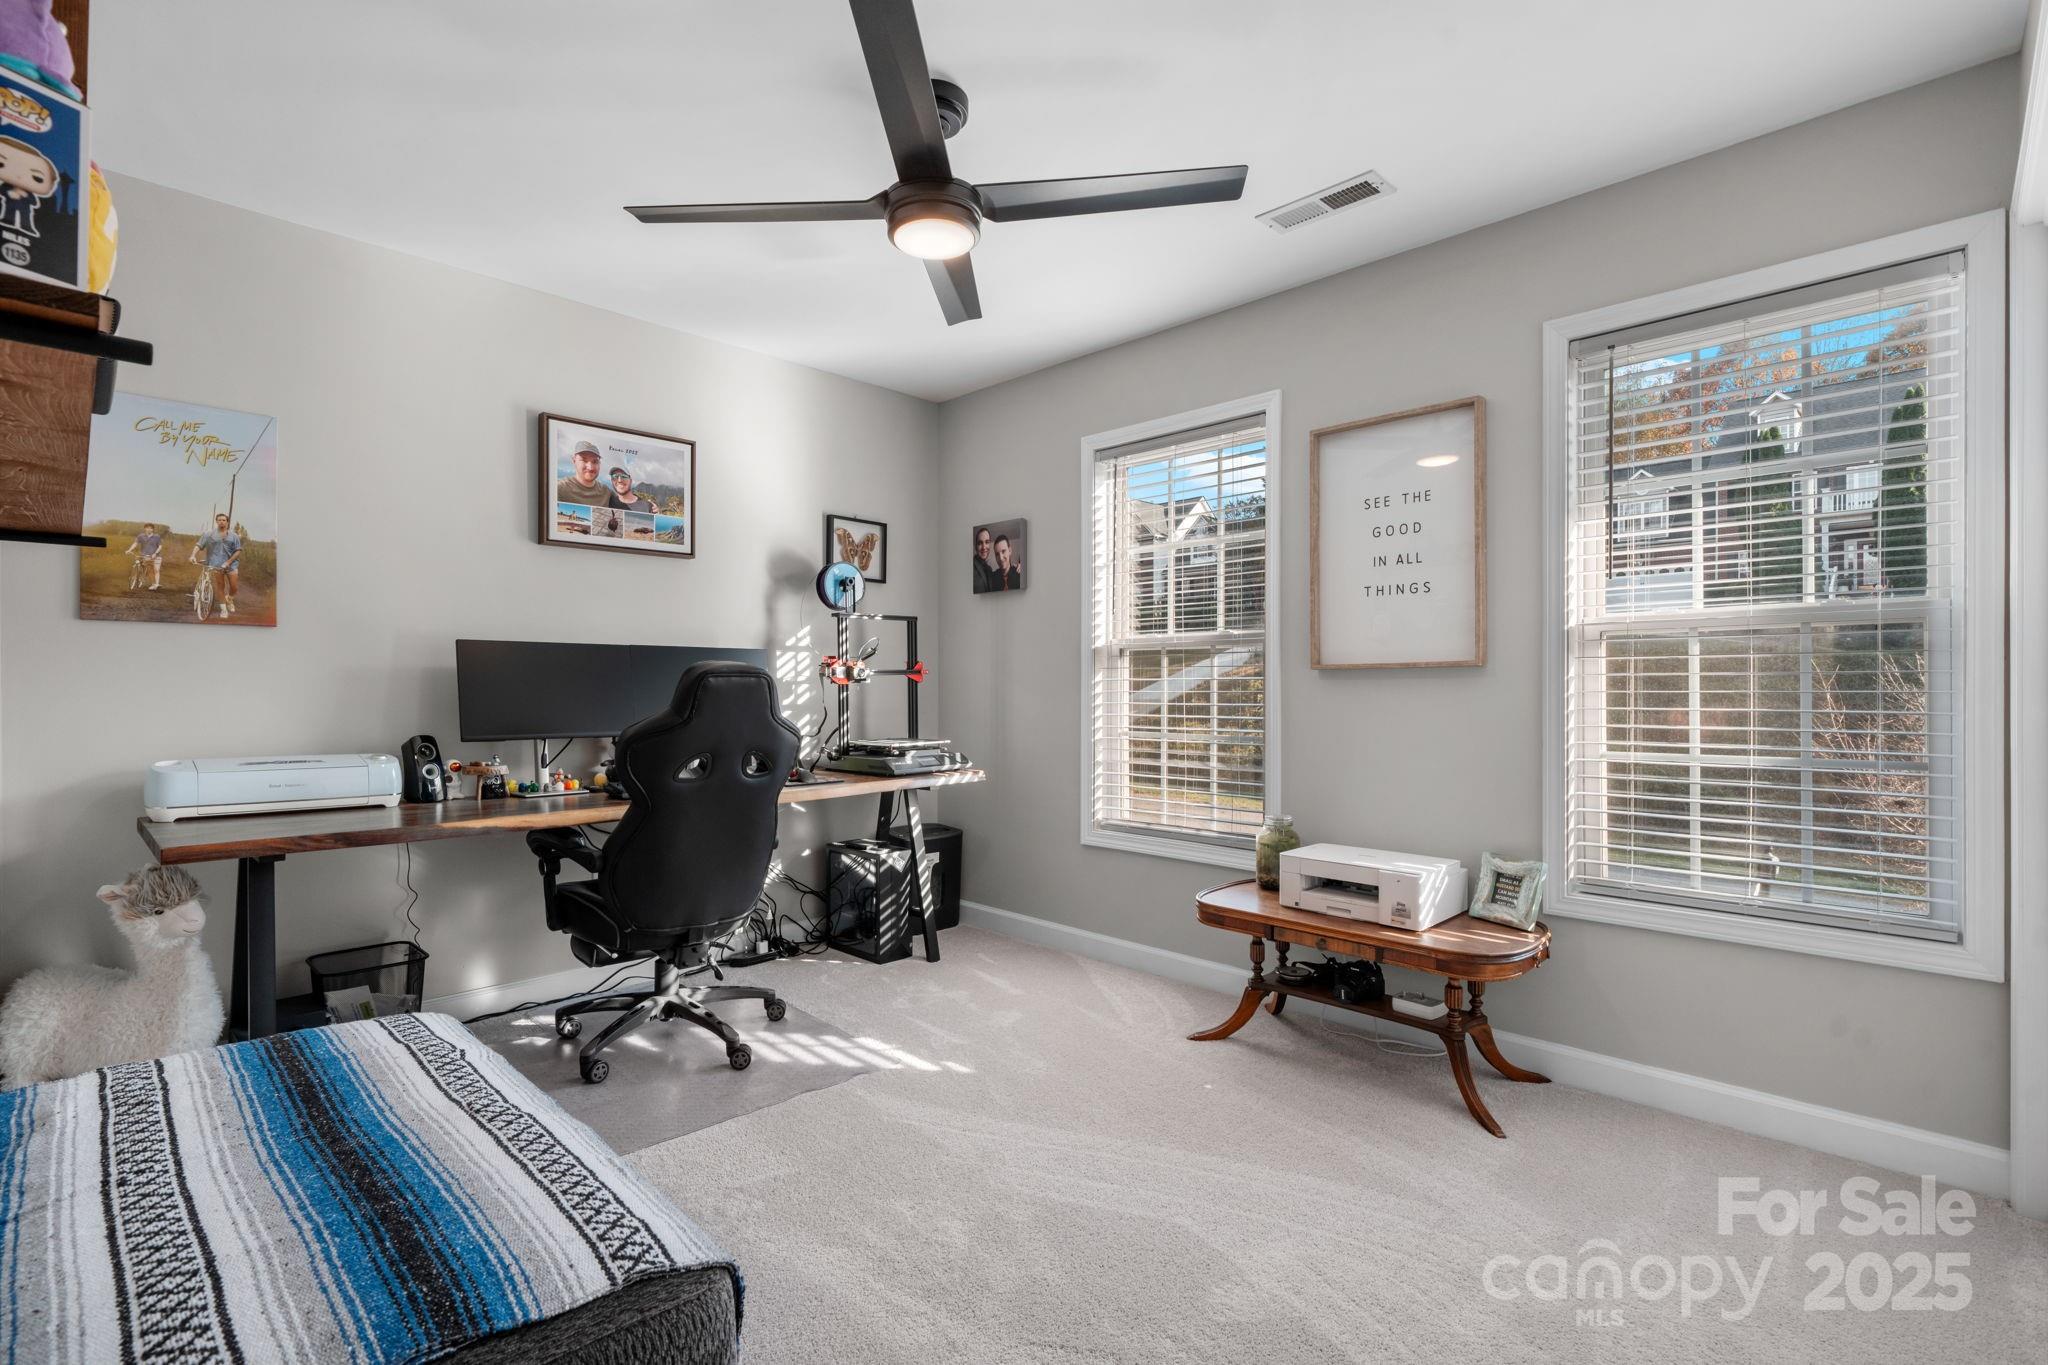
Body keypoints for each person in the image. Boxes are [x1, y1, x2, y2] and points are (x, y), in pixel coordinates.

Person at [0, 137, 56, 239]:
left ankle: (27, 227)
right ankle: (6, 221)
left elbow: (34, 202)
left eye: (37, 178)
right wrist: (9, 193)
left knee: (25, 218)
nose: (19, 176)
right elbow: (3, 191)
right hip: (9, 206)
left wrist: (25, 196)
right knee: (9, 215)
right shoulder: (6, 186)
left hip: (25, 210)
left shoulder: (29, 193)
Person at [190, 512, 241, 619]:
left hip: (231, 565)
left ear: (227, 522)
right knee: (220, 586)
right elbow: (199, 545)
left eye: (224, 520)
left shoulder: (234, 536)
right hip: (215, 564)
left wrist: (228, 562)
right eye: (219, 520)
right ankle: (223, 610)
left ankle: (230, 599)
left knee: (234, 587)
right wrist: (193, 555)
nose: (222, 522)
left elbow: (238, 551)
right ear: (216, 521)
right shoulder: (209, 534)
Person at [555, 440, 611, 507]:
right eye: (584, 460)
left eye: (595, 461)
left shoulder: (606, 492)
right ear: (574, 461)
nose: (590, 467)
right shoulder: (559, 488)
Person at [125, 522, 164, 589]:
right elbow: (135, 543)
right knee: (148, 568)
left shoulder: (157, 536)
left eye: (150, 528)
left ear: (153, 529)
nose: (149, 529)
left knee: (156, 569)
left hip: (157, 556)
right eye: (147, 528)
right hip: (145, 555)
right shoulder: (141, 536)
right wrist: (129, 550)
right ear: (145, 529)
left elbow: (160, 546)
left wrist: (155, 553)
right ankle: (152, 582)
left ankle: (156, 584)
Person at [972, 526, 998, 593]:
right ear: (975, 547)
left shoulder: (989, 569)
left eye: (987, 542)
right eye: (980, 543)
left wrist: (1016, 568)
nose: (984, 547)